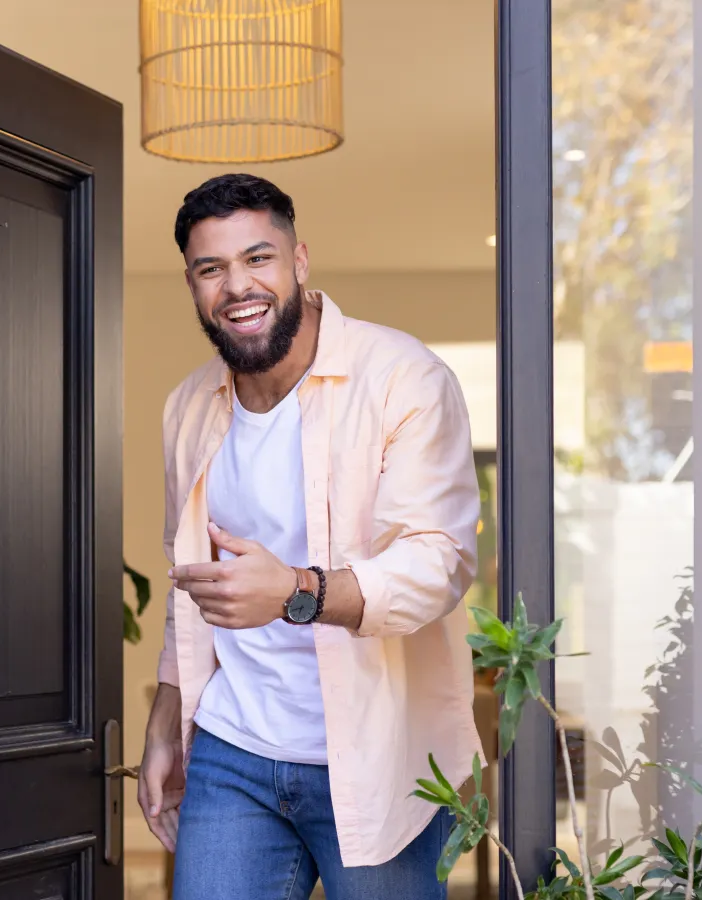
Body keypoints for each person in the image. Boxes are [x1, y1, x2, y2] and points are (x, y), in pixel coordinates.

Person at [138, 174, 484, 899]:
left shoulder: (402, 379)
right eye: (212, 269)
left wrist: (296, 591)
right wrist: (168, 720)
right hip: (233, 753)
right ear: (193, 285)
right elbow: (189, 584)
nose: (237, 286)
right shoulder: (188, 408)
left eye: (257, 259)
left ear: (298, 261)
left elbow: (440, 562)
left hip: (379, 755)